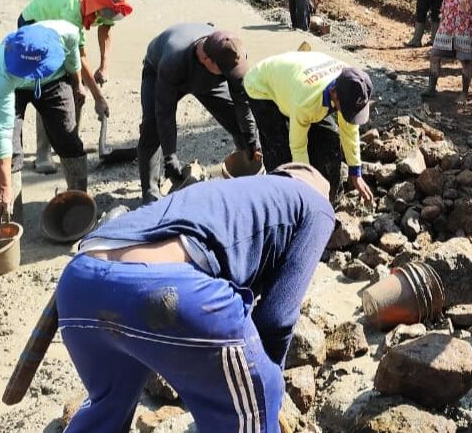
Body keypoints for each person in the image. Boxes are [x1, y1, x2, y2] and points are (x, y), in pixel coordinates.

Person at [56, 163, 335, 433]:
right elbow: (277, 318)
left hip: (79, 283)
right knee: (263, 394)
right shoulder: (317, 205)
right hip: (163, 292)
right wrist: (265, 387)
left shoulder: (233, 193)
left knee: (108, 407)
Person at [138, 24, 260, 204]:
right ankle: (151, 193)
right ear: (206, 59)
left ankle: (246, 175)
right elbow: (164, 112)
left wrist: (251, 140)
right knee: (152, 127)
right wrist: (170, 155)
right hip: (158, 72)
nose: (230, 74)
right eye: (224, 71)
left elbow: (242, 103)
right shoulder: (173, 60)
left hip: (208, 80)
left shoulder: (233, 54)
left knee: (236, 119)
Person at [18, 0, 130, 173]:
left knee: (76, 87)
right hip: (34, 23)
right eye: (106, 12)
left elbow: (106, 28)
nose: (108, 16)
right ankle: (43, 153)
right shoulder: (72, 10)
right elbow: (78, 56)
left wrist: (104, 66)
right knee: (49, 84)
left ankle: (68, 142)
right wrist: (98, 97)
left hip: (62, 30)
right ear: (98, 6)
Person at [0, 21, 90, 223]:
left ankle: (79, 205)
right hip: (14, 86)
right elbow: (2, 133)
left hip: (53, 80)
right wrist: (4, 187)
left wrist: (78, 83)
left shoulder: (67, 33)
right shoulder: (1, 71)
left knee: (67, 137)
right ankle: (11, 218)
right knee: (12, 149)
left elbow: (73, 58)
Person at [243, 51, 374, 203]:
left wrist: (355, 171)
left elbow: (349, 127)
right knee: (281, 155)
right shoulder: (306, 102)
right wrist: (307, 190)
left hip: (295, 83)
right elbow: (298, 147)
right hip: (262, 87)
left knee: (330, 140)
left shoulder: (352, 83)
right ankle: (283, 202)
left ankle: (332, 200)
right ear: (334, 93)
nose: (348, 113)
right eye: (345, 108)